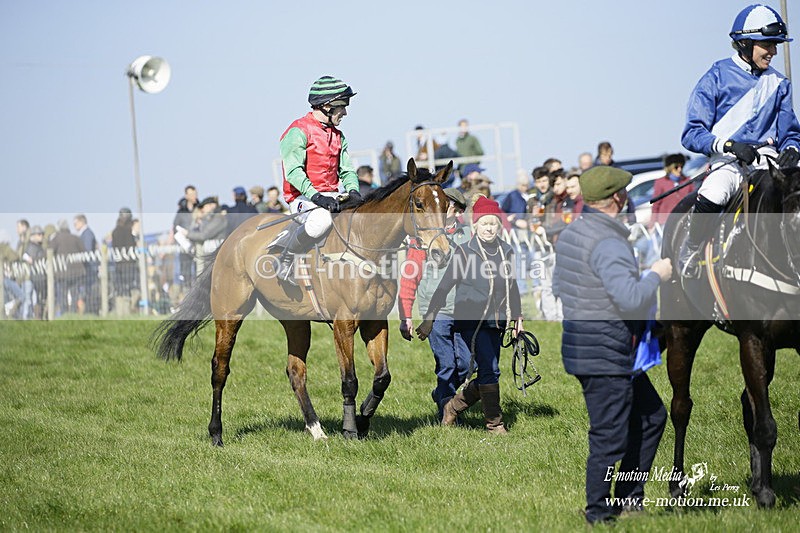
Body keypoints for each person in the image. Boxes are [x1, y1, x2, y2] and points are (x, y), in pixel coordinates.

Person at [553, 166, 672, 524]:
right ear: (618, 198)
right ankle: (599, 513)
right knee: (609, 436)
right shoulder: (608, 241)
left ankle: (629, 498)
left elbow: (560, 286)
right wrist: (656, 274)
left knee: (651, 416)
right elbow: (630, 296)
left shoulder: (574, 231)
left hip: (586, 345)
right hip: (606, 353)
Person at [679, 4, 800, 277]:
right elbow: (691, 133)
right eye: (767, 44)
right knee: (714, 193)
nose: (773, 51)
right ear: (745, 43)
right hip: (729, 161)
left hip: (767, 163)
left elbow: (790, 132)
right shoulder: (716, 77)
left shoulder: (780, 84)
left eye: (776, 45)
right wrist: (730, 146)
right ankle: (692, 249)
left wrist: (792, 148)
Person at [416, 196, 524, 434]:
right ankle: (495, 424)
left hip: (496, 321)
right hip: (472, 322)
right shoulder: (464, 252)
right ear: (475, 225)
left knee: (489, 369)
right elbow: (443, 288)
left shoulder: (506, 251)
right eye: (484, 224)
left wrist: (518, 319)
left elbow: (512, 286)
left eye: (493, 224)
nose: (489, 229)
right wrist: (429, 319)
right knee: (491, 370)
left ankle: (453, 407)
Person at [278, 75, 360, 284]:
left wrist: (353, 191)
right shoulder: (298, 131)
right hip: (302, 198)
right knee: (321, 221)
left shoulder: (339, 135)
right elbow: (294, 172)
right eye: (343, 105)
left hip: (331, 196)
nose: (346, 112)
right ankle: (286, 258)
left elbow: (347, 170)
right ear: (327, 106)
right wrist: (317, 197)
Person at [399, 188, 471, 420]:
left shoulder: (468, 236)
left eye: (447, 206)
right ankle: (447, 411)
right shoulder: (422, 240)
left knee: (467, 364)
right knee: (447, 365)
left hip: (464, 311)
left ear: (457, 211)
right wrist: (406, 315)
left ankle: (441, 393)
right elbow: (410, 278)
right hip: (435, 311)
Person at [650, 153, 692, 227]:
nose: (679, 169)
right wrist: (652, 224)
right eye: (676, 167)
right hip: (665, 223)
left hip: (683, 222)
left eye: (681, 166)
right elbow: (656, 205)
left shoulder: (688, 181)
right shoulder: (660, 182)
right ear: (670, 168)